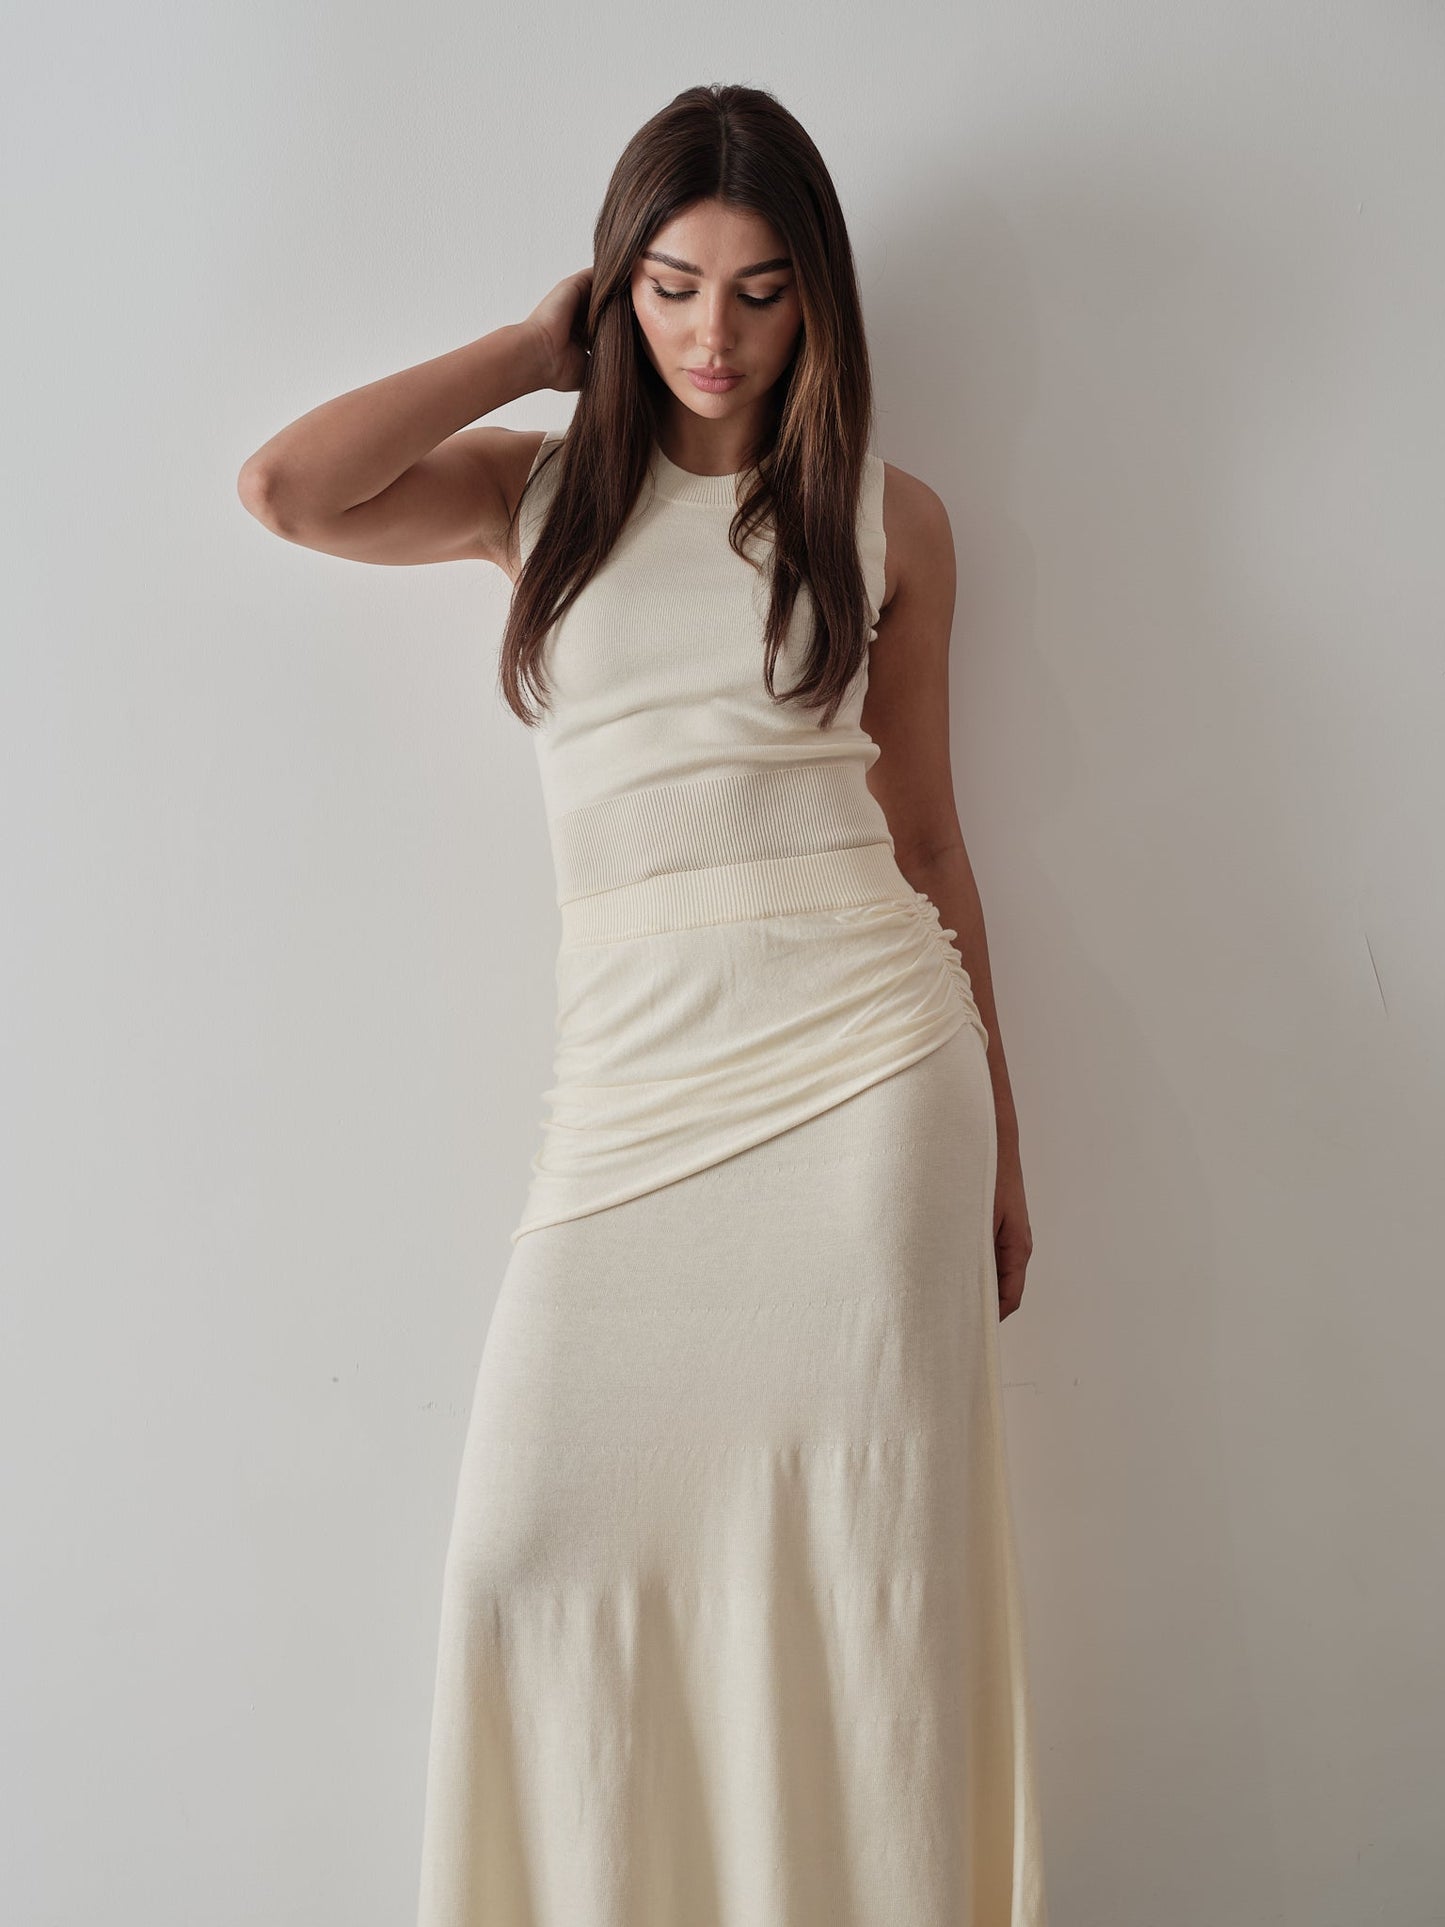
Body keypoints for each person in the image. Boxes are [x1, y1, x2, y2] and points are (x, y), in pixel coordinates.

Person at [238, 80, 1047, 1927]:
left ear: (816, 303)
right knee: (530, 1549)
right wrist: (531, 347)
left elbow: (928, 838)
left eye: (760, 291)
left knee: (863, 1569)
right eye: (671, 285)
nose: (712, 334)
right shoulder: (532, 501)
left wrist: (1004, 1139)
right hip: (626, 1102)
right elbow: (288, 488)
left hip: (866, 1077)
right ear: (619, 287)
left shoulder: (885, 517)